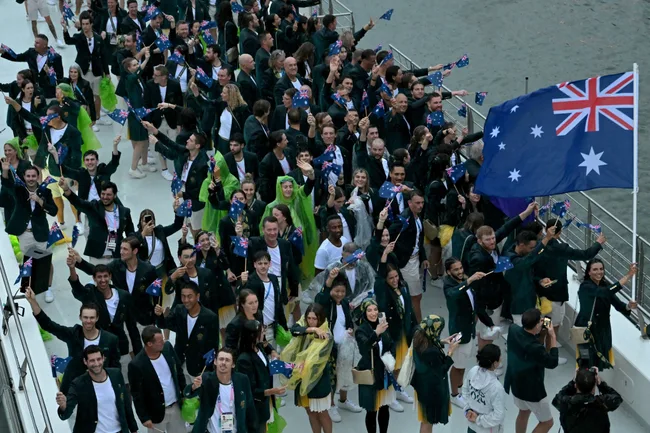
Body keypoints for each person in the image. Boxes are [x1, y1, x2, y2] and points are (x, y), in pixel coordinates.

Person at [468, 201, 536, 351]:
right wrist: (482, 308)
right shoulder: (477, 258)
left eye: (493, 238)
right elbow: (476, 286)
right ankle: (484, 359)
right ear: (479, 241)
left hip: (496, 295)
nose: (493, 242)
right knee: (488, 334)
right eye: (488, 240)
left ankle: (483, 353)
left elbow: (507, 228)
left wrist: (525, 213)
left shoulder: (490, 244)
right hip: (488, 301)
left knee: (486, 333)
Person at [24, 288, 120, 394]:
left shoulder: (111, 339)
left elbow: (115, 366)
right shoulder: (73, 334)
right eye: (85, 317)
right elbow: (49, 325)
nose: (88, 321)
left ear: (97, 318)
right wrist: (33, 301)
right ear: (80, 318)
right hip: (72, 384)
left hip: (99, 388)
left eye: (92, 318)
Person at [534, 220, 605, 353]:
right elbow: (585, 254)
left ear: (546, 229)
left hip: (542, 295)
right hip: (556, 297)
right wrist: (598, 243)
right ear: (559, 233)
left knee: (545, 325)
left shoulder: (539, 246)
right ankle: (550, 354)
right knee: (552, 328)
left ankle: (539, 350)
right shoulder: (561, 249)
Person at [66, 260, 142, 375]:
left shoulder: (123, 296)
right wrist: (72, 268)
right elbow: (77, 289)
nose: (103, 280)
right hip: (98, 346)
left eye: (105, 276)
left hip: (120, 345)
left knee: (122, 378)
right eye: (99, 277)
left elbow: (132, 327)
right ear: (94, 278)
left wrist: (139, 353)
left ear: (110, 276)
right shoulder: (90, 293)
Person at [0, 163, 57, 300]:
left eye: (33, 176)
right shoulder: (19, 190)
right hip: (24, 233)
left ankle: (47, 288)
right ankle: (27, 288)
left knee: (45, 261)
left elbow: (54, 210)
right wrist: (5, 171)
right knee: (28, 261)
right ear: (24, 177)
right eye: (28, 176)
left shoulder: (45, 192)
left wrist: (40, 201)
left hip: (40, 232)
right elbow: (7, 184)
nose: (31, 178)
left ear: (38, 177)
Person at [146, 123, 209, 239]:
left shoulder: (201, 165)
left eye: (190, 140)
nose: (187, 141)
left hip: (195, 202)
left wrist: (182, 194)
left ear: (197, 145)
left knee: (197, 231)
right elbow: (172, 145)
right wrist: (156, 132)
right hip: (185, 191)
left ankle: (199, 250)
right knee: (186, 221)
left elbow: (199, 191)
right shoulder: (187, 152)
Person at [55, 345, 138, 433]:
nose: (96, 364)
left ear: (103, 358)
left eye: (98, 359)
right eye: (92, 360)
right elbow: (66, 414)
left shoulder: (115, 374)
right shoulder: (78, 384)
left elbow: (126, 404)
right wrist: (63, 406)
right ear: (85, 361)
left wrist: (134, 429)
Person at [315, 269, 363, 422]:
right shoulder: (325, 302)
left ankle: (343, 400)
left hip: (344, 346)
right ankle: (331, 404)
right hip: (328, 346)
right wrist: (330, 279)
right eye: (336, 291)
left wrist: (350, 330)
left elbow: (348, 322)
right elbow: (320, 297)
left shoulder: (344, 303)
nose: (340, 294)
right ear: (331, 290)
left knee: (345, 373)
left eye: (342, 291)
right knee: (331, 376)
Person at [443, 258, 489, 407]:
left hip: (468, 329)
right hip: (458, 332)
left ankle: (460, 389)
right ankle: (454, 394)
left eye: (461, 268)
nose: (460, 271)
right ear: (449, 272)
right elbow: (453, 294)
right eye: (456, 269)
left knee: (462, 365)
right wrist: (468, 281)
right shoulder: (449, 286)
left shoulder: (464, 281)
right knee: (457, 366)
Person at [575, 261, 638, 370]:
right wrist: (628, 276)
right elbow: (605, 292)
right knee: (584, 363)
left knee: (597, 363)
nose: (599, 272)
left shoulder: (605, 286)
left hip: (602, 332)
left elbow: (619, 306)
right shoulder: (585, 286)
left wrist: (628, 306)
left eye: (601, 269)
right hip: (586, 332)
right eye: (595, 269)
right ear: (589, 272)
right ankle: (581, 384)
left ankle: (593, 383)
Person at [504, 308, 559, 433]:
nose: (542, 322)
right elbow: (552, 362)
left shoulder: (513, 330)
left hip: (516, 383)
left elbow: (528, 337)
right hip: (532, 390)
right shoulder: (536, 348)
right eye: (540, 321)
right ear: (535, 326)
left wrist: (537, 332)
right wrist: (552, 336)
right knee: (547, 422)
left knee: (523, 412)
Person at [282, 304, 334, 433]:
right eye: (308, 318)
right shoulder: (305, 326)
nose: (311, 321)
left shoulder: (326, 334)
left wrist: (303, 363)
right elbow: (294, 330)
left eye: (314, 319)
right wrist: (312, 329)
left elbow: (317, 359)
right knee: (309, 411)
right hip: (302, 375)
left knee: (322, 413)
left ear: (321, 319)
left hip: (318, 379)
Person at [155, 280, 220, 381]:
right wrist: (160, 316)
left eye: (189, 296)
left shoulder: (210, 317)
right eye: (183, 296)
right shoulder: (179, 310)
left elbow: (213, 345)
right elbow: (164, 324)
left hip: (199, 369)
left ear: (197, 296)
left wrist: (208, 370)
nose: (186, 300)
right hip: (180, 363)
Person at [60, 178, 135, 264]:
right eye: (103, 194)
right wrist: (66, 190)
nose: (105, 197)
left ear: (115, 195)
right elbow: (79, 203)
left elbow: (130, 234)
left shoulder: (124, 211)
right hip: (97, 258)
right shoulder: (94, 207)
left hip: (117, 257)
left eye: (108, 194)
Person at [128, 326, 187, 433]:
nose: (163, 342)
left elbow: (178, 372)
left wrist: (184, 394)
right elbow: (137, 394)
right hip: (155, 413)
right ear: (149, 344)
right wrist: (144, 417)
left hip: (176, 407)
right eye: (160, 341)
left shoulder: (168, 348)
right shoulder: (136, 365)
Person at [185, 347, 257, 433]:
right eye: (221, 359)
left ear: (233, 364)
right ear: (215, 361)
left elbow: (250, 408)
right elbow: (187, 394)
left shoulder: (242, 380)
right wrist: (194, 387)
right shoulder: (206, 379)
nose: (223, 362)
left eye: (227, 360)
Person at [411, 314, 460, 433]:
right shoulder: (431, 352)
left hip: (422, 386)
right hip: (432, 390)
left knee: (425, 419)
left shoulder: (418, 336)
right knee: (428, 422)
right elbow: (442, 371)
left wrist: (442, 341)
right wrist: (450, 352)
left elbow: (431, 342)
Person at [236, 320, 286, 433]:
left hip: (264, 403)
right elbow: (250, 389)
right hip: (254, 407)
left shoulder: (259, 348)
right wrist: (272, 391)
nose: (264, 332)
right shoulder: (244, 360)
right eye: (261, 331)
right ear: (253, 335)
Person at [63, 136, 121, 235]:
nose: (90, 162)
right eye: (87, 160)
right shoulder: (81, 174)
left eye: (92, 159)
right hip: (89, 209)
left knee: (112, 235)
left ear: (97, 161)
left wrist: (115, 146)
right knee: (89, 236)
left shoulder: (104, 171)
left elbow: (114, 164)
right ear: (84, 162)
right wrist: (55, 155)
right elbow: (65, 170)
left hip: (107, 207)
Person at [62, 11, 110, 128]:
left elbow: (103, 55)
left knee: (97, 95)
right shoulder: (79, 37)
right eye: (83, 24)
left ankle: (97, 117)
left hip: (97, 71)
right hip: (83, 71)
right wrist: (65, 29)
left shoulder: (98, 38)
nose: (85, 27)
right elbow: (68, 41)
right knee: (86, 97)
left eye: (87, 24)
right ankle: (90, 119)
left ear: (91, 24)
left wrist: (107, 72)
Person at [389, 189, 428, 323]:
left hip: (415, 259)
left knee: (414, 296)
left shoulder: (417, 216)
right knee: (415, 296)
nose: (420, 206)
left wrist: (423, 257)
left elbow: (419, 239)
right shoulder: (404, 219)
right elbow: (390, 234)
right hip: (407, 262)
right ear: (409, 203)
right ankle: (419, 326)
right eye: (417, 203)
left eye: (422, 203)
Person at [355, 298, 394, 433]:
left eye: (375, 309)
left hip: (384, 372)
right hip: (371, 374)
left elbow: (391, 343)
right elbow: (364, 349)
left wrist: (391, 359)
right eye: (369, 310)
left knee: (384, 407)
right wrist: (376, 333)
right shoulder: (361, 330)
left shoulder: (383, 325)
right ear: (364, 312)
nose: (373, 313)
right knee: (371, 410)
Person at [504, 227, 556, 327]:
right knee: (523, 337)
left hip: (531, 304)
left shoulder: (523, 255)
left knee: (536, 332)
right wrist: (546, 239)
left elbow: (529, 275)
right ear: (522, 245)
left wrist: (540, 281)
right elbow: (527, 261)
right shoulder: (510, 259)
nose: (532, 251)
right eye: (531, 248)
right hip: (518, 308)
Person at [240, 251, 288, 349]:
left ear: (270, 264)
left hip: (273, 327)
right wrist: (243, 283)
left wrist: (284, 325)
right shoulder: (251, 281)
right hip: (258, 329)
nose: (263, 266)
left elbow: (278, 304)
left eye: (265, 263)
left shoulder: (273, 279)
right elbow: (242, 298)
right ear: (254, 264)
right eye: (260, 263)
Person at [552, 367, 623, 433]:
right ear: (594, 387)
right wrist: (601, 384)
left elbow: (556, 400)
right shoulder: (601, 402)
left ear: (575, 385)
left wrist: (573, 381)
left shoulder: (565, 402)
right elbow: (617, 398)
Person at [145, 66, 184, 180]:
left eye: (156, 75)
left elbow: (179, 105)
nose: (153, 77)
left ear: (164, 77)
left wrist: (179, 123)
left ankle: (178, 169)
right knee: (159, 144)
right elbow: (147, 104)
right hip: (156, 121)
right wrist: (150, 122)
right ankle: (164, 169)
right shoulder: (150, 85)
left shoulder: (175, 85)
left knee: (175, 145)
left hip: (171, 120)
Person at [0, 34, 64, 100]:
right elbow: (17, 57)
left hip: (50, 93)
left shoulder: (55, 57)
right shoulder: (30, 53)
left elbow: (60, 76)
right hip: (35, 92)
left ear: (44, 45)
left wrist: (49, 74)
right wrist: (4, 52)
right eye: (35, 42)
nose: (34, 44)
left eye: (37, 43)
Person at [462, 344, 507, 433]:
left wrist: (468, 409)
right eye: (499, 358)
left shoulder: (473, 371)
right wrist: (478, 419)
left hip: (471, 424)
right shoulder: (496, 387)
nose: (501, 359)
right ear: (495, 363)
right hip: (487, 429)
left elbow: (465, 391)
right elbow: (498, 415)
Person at [122, 53, 152, 178]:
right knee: (139, 141)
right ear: (129, 68)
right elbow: (140, 70)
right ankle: (133, 168)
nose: (137, 66)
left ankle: (144, 162)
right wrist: (147, 59)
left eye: (137, 64)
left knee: (144, 139)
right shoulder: (129, 78)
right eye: (134, 65)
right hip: (136, 113)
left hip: (141, 111)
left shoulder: (137, 78)